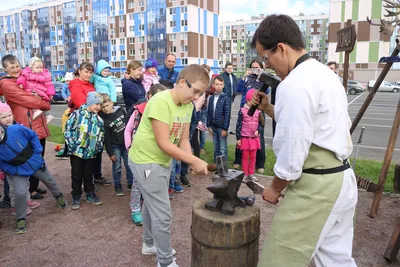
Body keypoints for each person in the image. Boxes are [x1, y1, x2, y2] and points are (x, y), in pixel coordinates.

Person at [249, 14, 358, 266]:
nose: (267, 66)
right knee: (334, 260)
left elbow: (294, 148)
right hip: (341, 178)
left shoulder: (294, 84)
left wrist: (275, 188)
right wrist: (268, 109)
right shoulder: (324, 73)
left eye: (266, 58)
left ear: (281, 48)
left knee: (278, 260)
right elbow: (311, 127)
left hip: (317, 186)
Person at [128, 64, 210, 267]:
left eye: (200, 94)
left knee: (151, 205)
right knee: (163, 214)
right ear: (182, 82)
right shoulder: (160, 101)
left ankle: (149, 244)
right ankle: (164, 262)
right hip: (145, 160)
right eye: (196, 91)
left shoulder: (187, 106)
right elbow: (164, 143)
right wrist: (194, 160)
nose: (196, 97)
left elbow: (183, 139)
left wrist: (190, 160)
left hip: (162, 161)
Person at [0, 124, 67, 234]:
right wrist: (13, 170)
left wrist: (38, 152)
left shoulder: (15, 129)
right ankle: (20, 218)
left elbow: (32, 135)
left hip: (35, 163)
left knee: (48, 180)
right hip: (18, 170)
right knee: (20, 193)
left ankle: (58, 195)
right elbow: (2, 164)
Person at [0, 54, 49, 200]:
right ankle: (11, 197)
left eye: (17, 66)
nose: (16, 69)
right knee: (21, 159)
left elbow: (41, 90)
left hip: (37, 124)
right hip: (24, 125)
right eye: (12, 67)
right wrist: (45, 104)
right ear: (5, 68)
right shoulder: (7, 84)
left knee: (37, 157)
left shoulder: (25, 78)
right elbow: (28, 99)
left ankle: (33, 188)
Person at [124, 84, 167, 225]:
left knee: (154, 181)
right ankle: (135, 210)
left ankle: (149, 207)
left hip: (156, 155)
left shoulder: (165, 112)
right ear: (149, 96)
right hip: (140, 154)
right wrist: (129, 146)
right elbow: (128, 130)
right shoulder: (138, 111)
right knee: (138, 183)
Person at [64, 92, 105, 210]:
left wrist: (98, 147)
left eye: (100, 105)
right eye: (96, 104)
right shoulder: (77, 114)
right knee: (76, 174)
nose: (98, 107)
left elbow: (101, 135)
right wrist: (72, 145)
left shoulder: (99, 120)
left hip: (91, 152)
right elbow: (68, 129)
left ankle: (89, 193)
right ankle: (76, 195)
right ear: (89, 102)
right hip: (77, 151)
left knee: (88, 174)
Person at [0, 102, 41, 215]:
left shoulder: (16, 125)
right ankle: (15, 206)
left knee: (24, 183)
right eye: (3, 117)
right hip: (10, 166)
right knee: (14, 188)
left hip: (22, 163)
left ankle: (25, 201)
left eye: (9, 115)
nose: (7, 119)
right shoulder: (1, 133)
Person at [233, 59, 269, 173]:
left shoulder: (263, 79)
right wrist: (244, 77)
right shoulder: (247, 78)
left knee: (259, 136)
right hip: (245, 108)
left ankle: (260, 163)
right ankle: (238, 160)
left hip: (258, 109)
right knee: (241, 135)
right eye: (252, 67)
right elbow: (238, 90)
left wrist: (262, 75)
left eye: (257, 68)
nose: (254, 70)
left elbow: (267, 91)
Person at [98, 94, 133, 196]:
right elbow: (106, 137)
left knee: (129, 165)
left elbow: (128, 126)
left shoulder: (121, 110)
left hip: (125, 144)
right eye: (103, 107)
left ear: (111, 103)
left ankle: (130, 183)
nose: (105, 109)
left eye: (107, 105)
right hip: (115, 145)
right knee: (117, 166)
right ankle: (117, 185)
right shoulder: (103, 118)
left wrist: (130, 142)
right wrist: (110, 153)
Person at [16, 57, 55, 124]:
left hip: (39, 91)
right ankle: (46, 115)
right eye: (37, 68)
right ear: (31, 67)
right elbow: (22, 79)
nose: (40, 70)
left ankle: (38, 111)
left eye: (41, 67)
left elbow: (49, 85)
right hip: (32, 89)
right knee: (31, 98)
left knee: (33, 98)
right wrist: (21, 84)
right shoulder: (26, 73)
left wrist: (50, 93)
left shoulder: (45, 75)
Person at [236, 89, 262, 183]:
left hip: (254, 139)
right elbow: (238, 125)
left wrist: (258, 130)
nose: (254, 102)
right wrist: (238, 138)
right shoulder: (242, 111)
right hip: (245, 138)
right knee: (245, 157)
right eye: (252, 100)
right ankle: (245, 174)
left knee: (253, 157)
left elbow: (260, 124)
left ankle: (251, 173)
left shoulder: (258, 111)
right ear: (247, 100)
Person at [206, 75, 231, 162]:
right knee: (216, 148)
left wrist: (225, 128)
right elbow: (209, 112)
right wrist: (208, 126)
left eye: (221, 84)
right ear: (213, 85)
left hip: (221, 127)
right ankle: (217, 167)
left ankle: (224, 169)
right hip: (213, 126)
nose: (219, 86)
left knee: (222, 149)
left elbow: (227, 114)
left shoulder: (226, 98)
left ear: (223, 85)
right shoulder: (211, 98)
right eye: (217, 84)